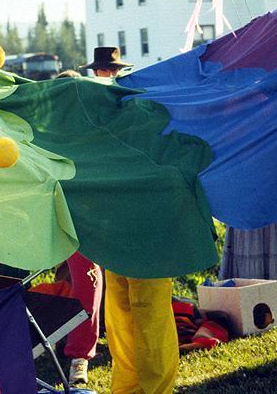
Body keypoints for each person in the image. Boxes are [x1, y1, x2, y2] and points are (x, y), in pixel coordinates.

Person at [80, 48, 180, 392]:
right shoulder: (95, 117)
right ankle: (127, 387)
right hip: (117, 228)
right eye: (102, 70)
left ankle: (156, 388)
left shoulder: (145, 112)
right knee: (120, 312)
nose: (106, 75)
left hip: (149, 229)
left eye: (112, 70)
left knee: (150, 310)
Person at [54, 69, 105, 387]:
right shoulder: (51, 127)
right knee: (71, 279)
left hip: (88, 216)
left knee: (87, 279)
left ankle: (79, 356)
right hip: (57, 214)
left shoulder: (91, 125)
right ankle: (68, 342)